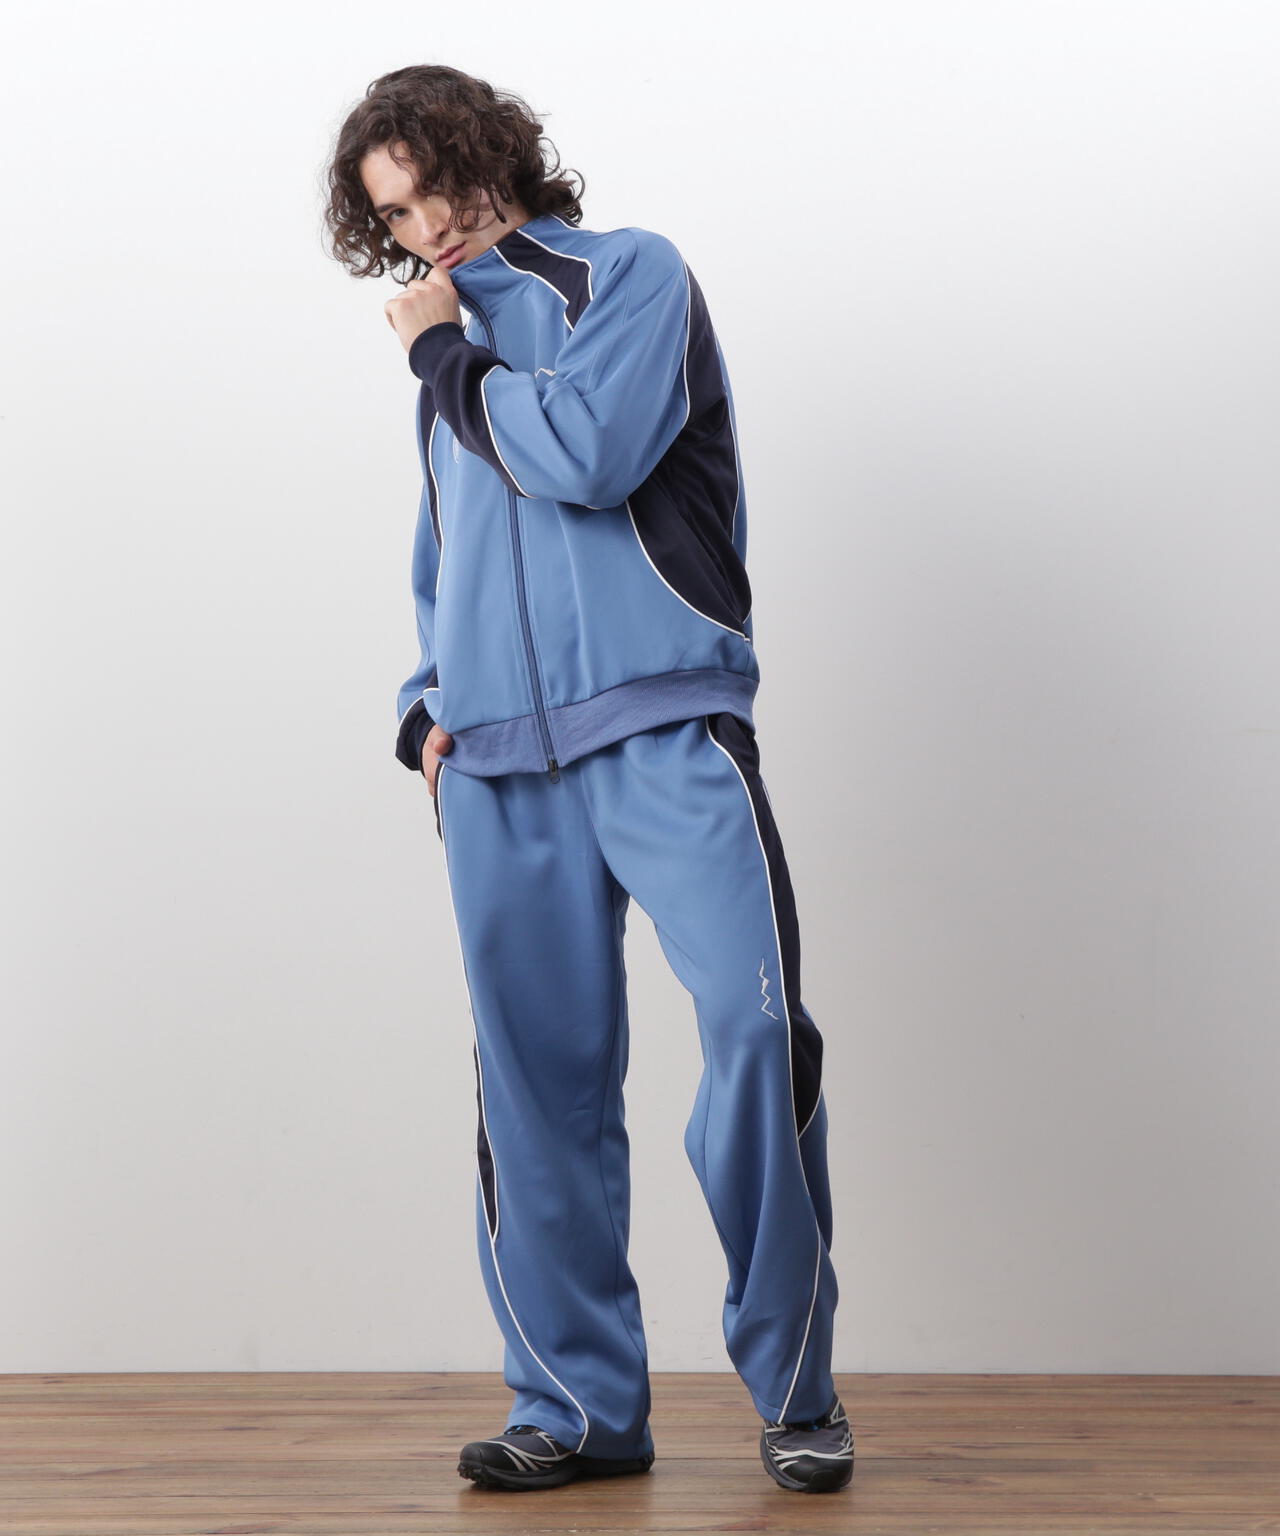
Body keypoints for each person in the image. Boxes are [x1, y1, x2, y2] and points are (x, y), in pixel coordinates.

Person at [323, 63, 853, 1495]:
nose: (426, 225)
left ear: (494, 149)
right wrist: (427, 706)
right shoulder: (450, 355)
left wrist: (445, 358)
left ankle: (796, 1388)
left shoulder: (626, 277)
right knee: (535, 1093)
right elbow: (450, 548)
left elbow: (587, 456)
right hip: (499, 764)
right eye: (395, 215)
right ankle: (575, 1408)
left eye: (435, 184)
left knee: (757, 1035)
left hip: (667, 725)